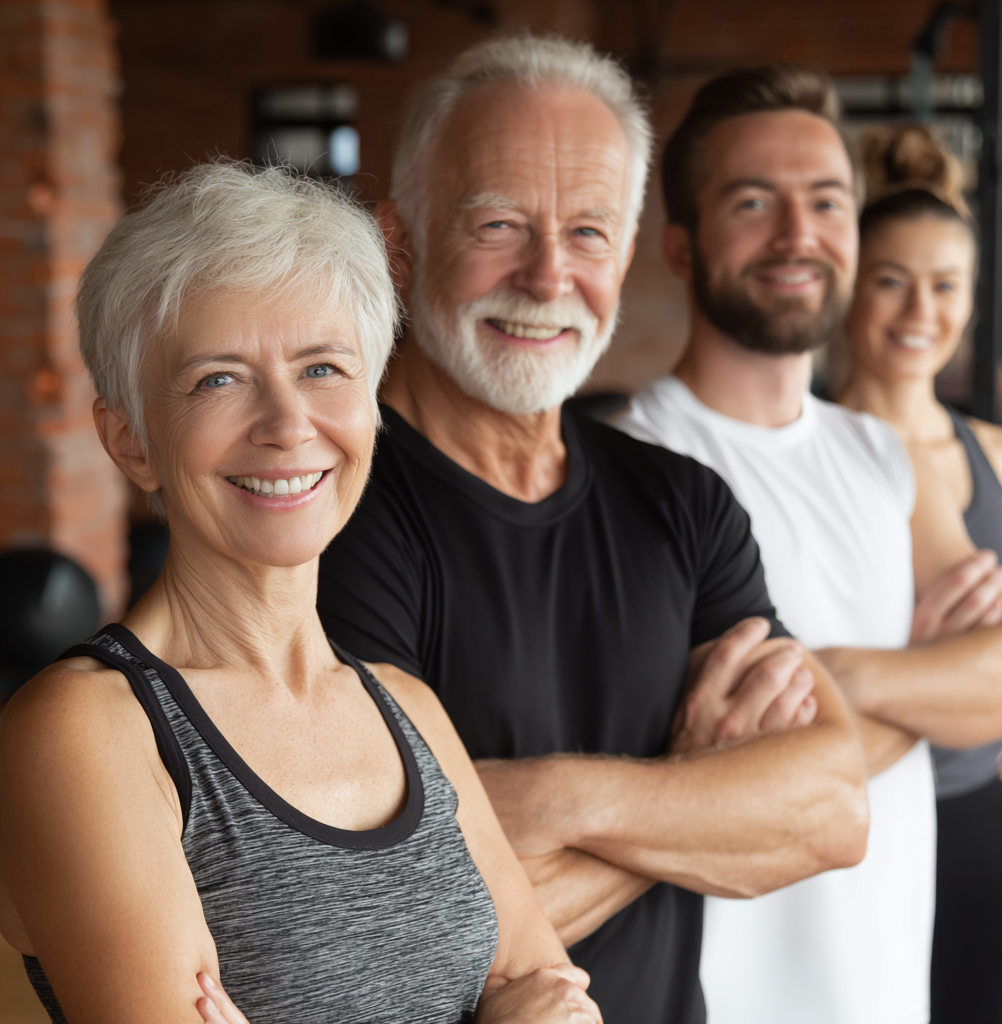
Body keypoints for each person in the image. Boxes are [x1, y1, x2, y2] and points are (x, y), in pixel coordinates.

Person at [316, 36, 869, 1024]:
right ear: (398, 241)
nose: (546, 276)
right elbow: (368, 933)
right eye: (498, 225)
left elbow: (832, 806)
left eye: (587, 232)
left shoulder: (683, 504)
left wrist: (553, 804)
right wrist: (696, 793)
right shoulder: (328, 512)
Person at [0, 161, 603, 1024]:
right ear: (131, 440)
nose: (288, 424)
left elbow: (562, 1003)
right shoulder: (89, 733)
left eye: (323, 368)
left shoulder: (408, 709)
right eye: (219, 378)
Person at [616, 64, 1002, 1024]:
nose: (800, 235)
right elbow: (714, 788)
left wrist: (825, 682)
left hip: (889, 992)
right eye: (755, 202)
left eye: (826, 201)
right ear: (680, 244)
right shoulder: (636, 460)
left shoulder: (876, 451)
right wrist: (929, 680)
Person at [839, 124, 1002, 1024]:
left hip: (994, 817)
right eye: (891, 281)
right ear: (847, 289)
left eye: (946, 285)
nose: (921, 310)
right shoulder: (811, 458)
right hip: (857, 813)